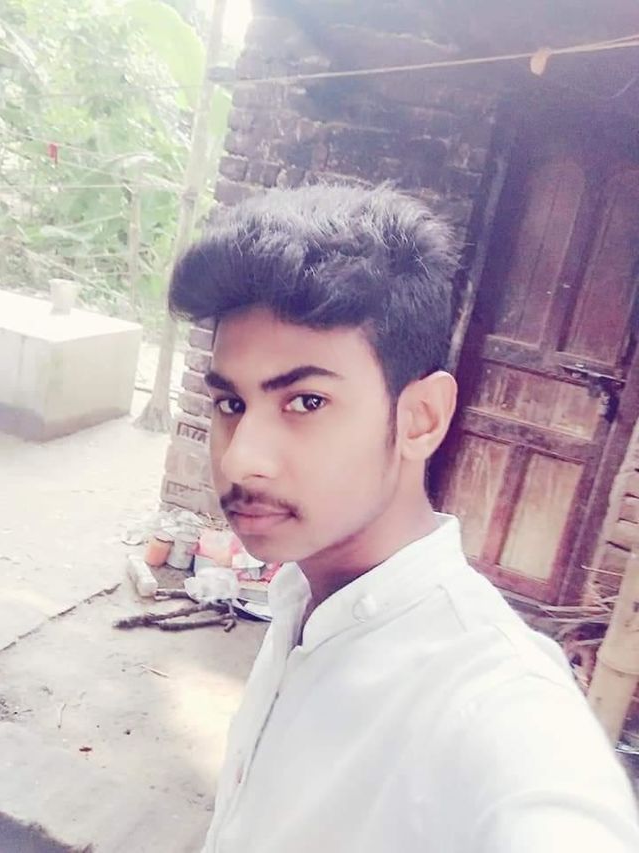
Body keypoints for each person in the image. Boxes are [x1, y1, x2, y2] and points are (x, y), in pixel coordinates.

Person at [169, 184, 639, 853]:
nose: (241, 458)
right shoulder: (304, 592)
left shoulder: (498, 700)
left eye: (306, 402)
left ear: (421, 418)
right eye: (231, 404)